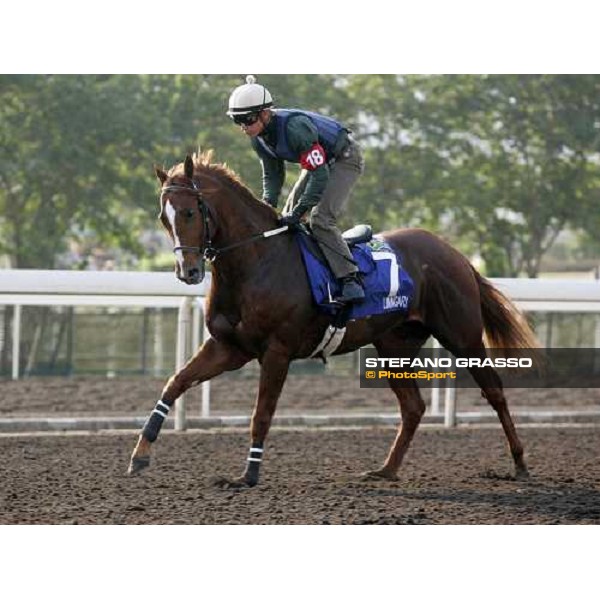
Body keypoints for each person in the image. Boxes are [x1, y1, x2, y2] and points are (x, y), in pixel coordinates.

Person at [226, 75, 365, 303]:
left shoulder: (294, 129)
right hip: (319, 162)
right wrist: (266, 207)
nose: (244, 127)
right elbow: (272, 175)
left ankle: (350, 278)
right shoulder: (258, 138)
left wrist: (300, 211)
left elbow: (320, 176)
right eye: (238, 121)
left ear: (265, 113)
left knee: (320, 219)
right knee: (284, 216)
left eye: (248, 120)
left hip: (344, 158)